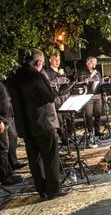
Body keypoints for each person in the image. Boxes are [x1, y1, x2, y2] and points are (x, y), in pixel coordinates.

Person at [7, 48, 68, 199]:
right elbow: (49, 96)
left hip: (24, 126)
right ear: (38, 62)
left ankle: (41, 190)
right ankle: (53, 190)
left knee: (34, 161)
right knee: (50, 157)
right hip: (41, 123)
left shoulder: (15, 76)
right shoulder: (36, 75)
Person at [0, 81, 23, 185]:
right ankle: (6, 177)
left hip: (6, 118)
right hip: (2, 121)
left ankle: (9, 172)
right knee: (2, 149)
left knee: (6, 146)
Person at [81, 57, 103, 137]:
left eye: (95, 63)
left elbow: (100, 82)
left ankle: (97, 131)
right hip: (88, 97)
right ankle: (90, 132)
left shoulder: (97, 72)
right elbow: (83, 82)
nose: (94, 64)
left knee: (98, 114)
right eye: (92, 62)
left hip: (97, 96)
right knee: (89, 115)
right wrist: (91, 75)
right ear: (87, 63)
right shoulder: (83, 72)